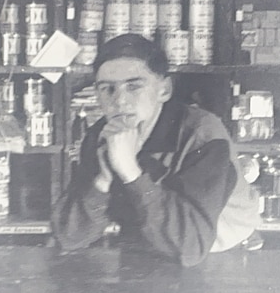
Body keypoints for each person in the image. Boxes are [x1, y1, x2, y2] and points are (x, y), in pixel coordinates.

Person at [52, 34, 261, 267]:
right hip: (155, 248)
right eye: (107, 89)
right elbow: (68, 236)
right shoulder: (102, 135)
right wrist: (104, 178)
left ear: (164, 90)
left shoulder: (202, 134)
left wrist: (130, 171)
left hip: (221, 255)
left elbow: (191, 245)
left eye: (133, 86)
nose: (119, 101)